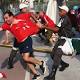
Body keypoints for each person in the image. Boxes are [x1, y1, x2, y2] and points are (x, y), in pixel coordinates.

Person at [0, 10, 45, 79]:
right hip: (20, 43)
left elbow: (30, 14)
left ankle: (41, 63)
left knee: (25, 58)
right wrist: (6, 40)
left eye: (7, 18)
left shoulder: (21, 17)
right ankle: (36, 74)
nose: (6, 20)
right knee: (26, 60)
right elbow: (0, 28)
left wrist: (37, 21)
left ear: (11, 16)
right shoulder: (7, 25)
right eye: (4, 19)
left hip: (27, 40)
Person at [44, 5, 73, 80]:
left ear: (65, 12)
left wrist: (44, 27)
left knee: (57, 54)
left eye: (61, 10)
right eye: (59, 10)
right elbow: (57, 28)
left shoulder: (65, 18)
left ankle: (52, 75)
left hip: (65, 40)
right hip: (61, 39)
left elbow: (56, 29)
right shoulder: (62, 18)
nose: (59, 11)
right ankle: (64, 64)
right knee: (53, 55)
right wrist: (48, 26)